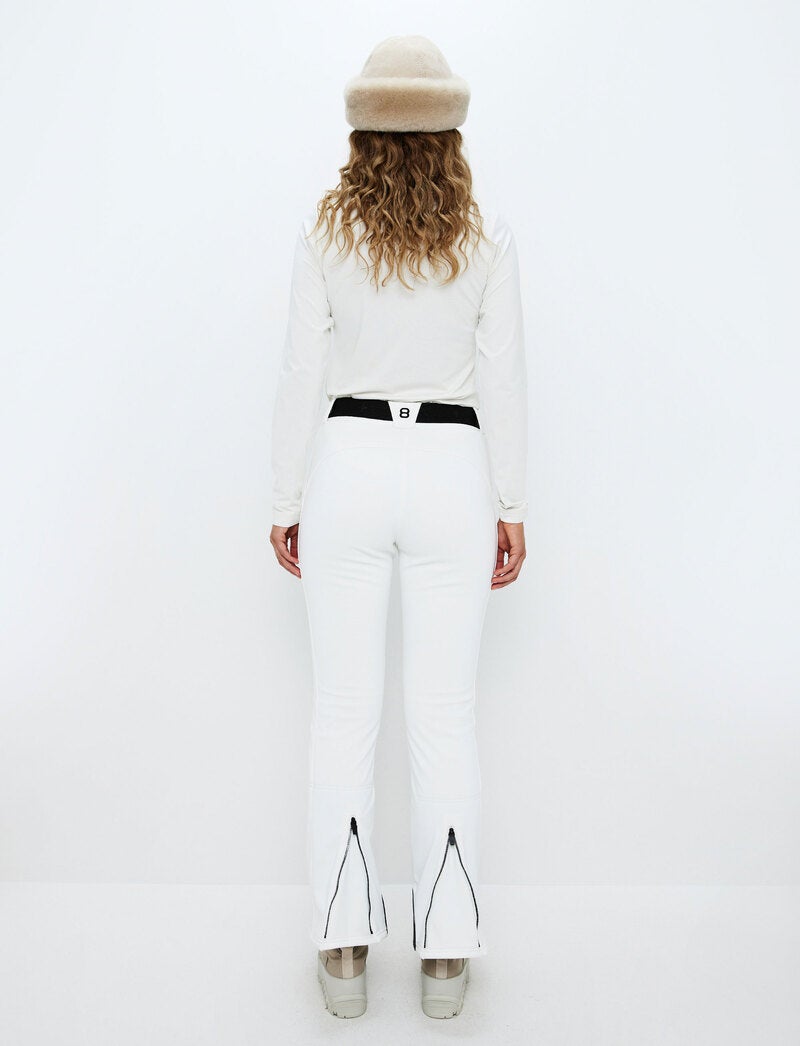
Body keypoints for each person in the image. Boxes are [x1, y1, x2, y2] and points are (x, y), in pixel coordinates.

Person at [269, 34, 528, 1020]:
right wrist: (510, 504)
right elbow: (502, 378)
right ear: (449, 133)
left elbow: (302, 372)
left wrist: (285, 499)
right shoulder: (486, 234)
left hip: (348, 467)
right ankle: (446, 956)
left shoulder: (324, 232)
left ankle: (343, 949)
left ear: (362, 134)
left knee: (343, 710)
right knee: (444, 714)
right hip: (454, 475)